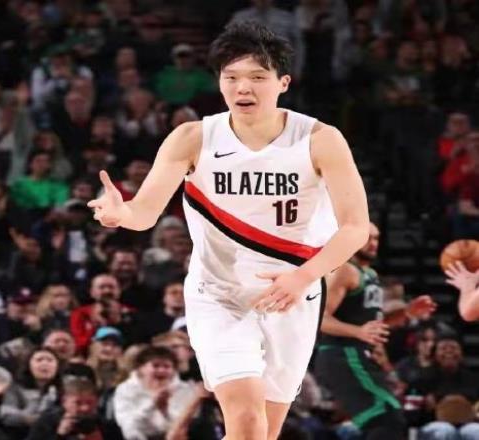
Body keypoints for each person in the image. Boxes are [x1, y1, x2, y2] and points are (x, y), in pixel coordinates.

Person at [88, 21, 370, 440]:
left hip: (292, 294)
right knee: (247, 421)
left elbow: (356, 228)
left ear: (283, 83)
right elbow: (144, 213)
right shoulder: (192, 138)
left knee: (266, 432)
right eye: (231, 77)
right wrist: (120, 214)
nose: (243, 88)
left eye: (257, 77)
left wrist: (303, 277)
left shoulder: (319, 139)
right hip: (218, 294)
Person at [315, 223, 437, 440]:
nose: (373, 243)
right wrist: (357, 331)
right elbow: (320, 318)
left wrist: (407, 313)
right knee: (386, 417)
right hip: (342, 355)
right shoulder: (344, 270)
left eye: (376, 238)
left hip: (359, 356)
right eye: (368, 237)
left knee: (388, 419)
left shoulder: (369, 273)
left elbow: (374, 326)